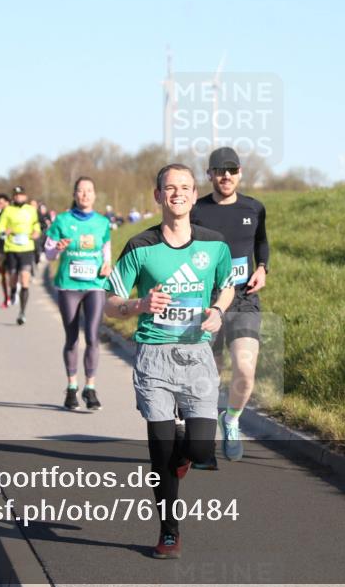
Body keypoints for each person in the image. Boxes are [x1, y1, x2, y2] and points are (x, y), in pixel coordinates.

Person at [106, 163, 234, 559]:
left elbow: (227, 286)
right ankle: (169, 532)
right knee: (160, 454)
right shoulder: (139, 246)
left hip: (196, 356)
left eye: (185, 187)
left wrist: (217, 310)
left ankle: (183, 454)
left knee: (199, 450)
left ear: (195, 195)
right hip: (154, 358)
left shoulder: (214, 245)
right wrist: (139, 304)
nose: (177, 193)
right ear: (158, 196)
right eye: (169, 188)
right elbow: (110, 302)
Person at [189, 147, 270, 464]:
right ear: (209, 174)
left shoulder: (254, 207)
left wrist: (262, 268)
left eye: (232, 170)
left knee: (245, 373)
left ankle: (232, 419)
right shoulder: (196, 210)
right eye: (219, 170)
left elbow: (261, 241)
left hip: (243, 300)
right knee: (207, 375)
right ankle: (200, 434)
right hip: (205, 302)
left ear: (240, 172)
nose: (226, 176)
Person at [44, 177, 112, 411]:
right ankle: (72, 387)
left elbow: (106, 250)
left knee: (93, 336)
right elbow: (49, 254)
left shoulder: (103, 222)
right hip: (69, 285)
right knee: (72, 337)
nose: (85, 195)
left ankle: (90, 387)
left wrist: (107, 264)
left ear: (95, 195)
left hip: (94, 284)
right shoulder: (62, 220)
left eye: (89, 191)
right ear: (74, 194)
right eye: (81, 191)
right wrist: (56, 248)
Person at [0, 186, 42, 325]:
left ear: (25, 197)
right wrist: (4, 232)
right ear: (13, 197)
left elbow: (36, 224)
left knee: (25, 278)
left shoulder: (31, 210)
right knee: (13, 277)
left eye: (21, 195)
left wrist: (36, 232)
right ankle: (13, 290)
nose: (18, 198)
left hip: (27, 247)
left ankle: (22, 312)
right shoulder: (8, 210)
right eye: (16, 195)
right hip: (11, 248)